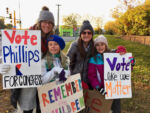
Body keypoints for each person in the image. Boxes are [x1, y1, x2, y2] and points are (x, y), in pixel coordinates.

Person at [9, 6, 55, 113]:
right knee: (27, 108)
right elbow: (15, 53)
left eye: (50, 23)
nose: (47, 25)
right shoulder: (27, 36)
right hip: (29, 79)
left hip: (44, 78)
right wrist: (6, 66)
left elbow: (56, 55)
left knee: (43, 107)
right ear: (39, 22)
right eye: (45, 22)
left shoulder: (52, 38)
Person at [88, 35, 135, 113]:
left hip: (114, 90)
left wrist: (130, 64)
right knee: (103, 110)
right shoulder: (93, 60)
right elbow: (91, 76)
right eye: (97, 45)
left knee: (116, 110)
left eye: (102, 44)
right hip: (101, 91)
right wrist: (98, 87)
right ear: (95, 47)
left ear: (106, 45)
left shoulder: (114, 56)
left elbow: (123, 69)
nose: (100, 47)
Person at [67, 20, 95, 87]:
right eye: (84, 33)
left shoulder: (94, 46)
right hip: (75, 81)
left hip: (89, 82)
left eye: (89, 33)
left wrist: (117, 51)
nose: (86, 35)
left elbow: (104, 51)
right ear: (80, 34)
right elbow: (67, 62)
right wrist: (70, 78)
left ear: (92, 34)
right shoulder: (75, 45)